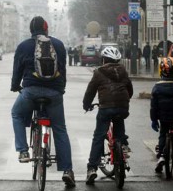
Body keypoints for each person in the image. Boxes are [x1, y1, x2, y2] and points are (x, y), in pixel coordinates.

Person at [10, 16, 75, 187]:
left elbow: (17, 70)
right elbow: (63, 69)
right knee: (60, 128)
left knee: (16, 114)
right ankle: (68, 170)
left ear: (30, 30)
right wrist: (61, 88)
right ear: (46, 29)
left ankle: (23, 151)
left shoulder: (24, 46)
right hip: (54, 93)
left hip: (30, 92)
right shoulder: (59, 45)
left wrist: (15, 86)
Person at [82, 46, 133, 185]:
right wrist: (124, 100)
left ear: (104, 59)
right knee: (119, 125)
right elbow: (130, 89)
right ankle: (122, 145)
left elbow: (90, 91)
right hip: (122, 107)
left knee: (98, 136)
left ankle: (92, 168)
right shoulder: (123, 71)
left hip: (106, 108)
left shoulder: (99, 72)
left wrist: (86, 105)